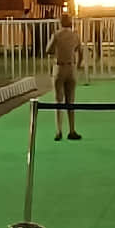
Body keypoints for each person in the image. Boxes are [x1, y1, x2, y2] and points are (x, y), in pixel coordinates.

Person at [48, 13, 84, 141]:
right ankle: (72, 130)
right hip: (71, 67)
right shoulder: (75, 35)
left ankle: (59, 131)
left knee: (59, 100)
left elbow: (48, 50)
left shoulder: (57, 35)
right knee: (71, 101)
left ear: (60, 23)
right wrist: (78, 65)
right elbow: (81, 52)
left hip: (59, 67)